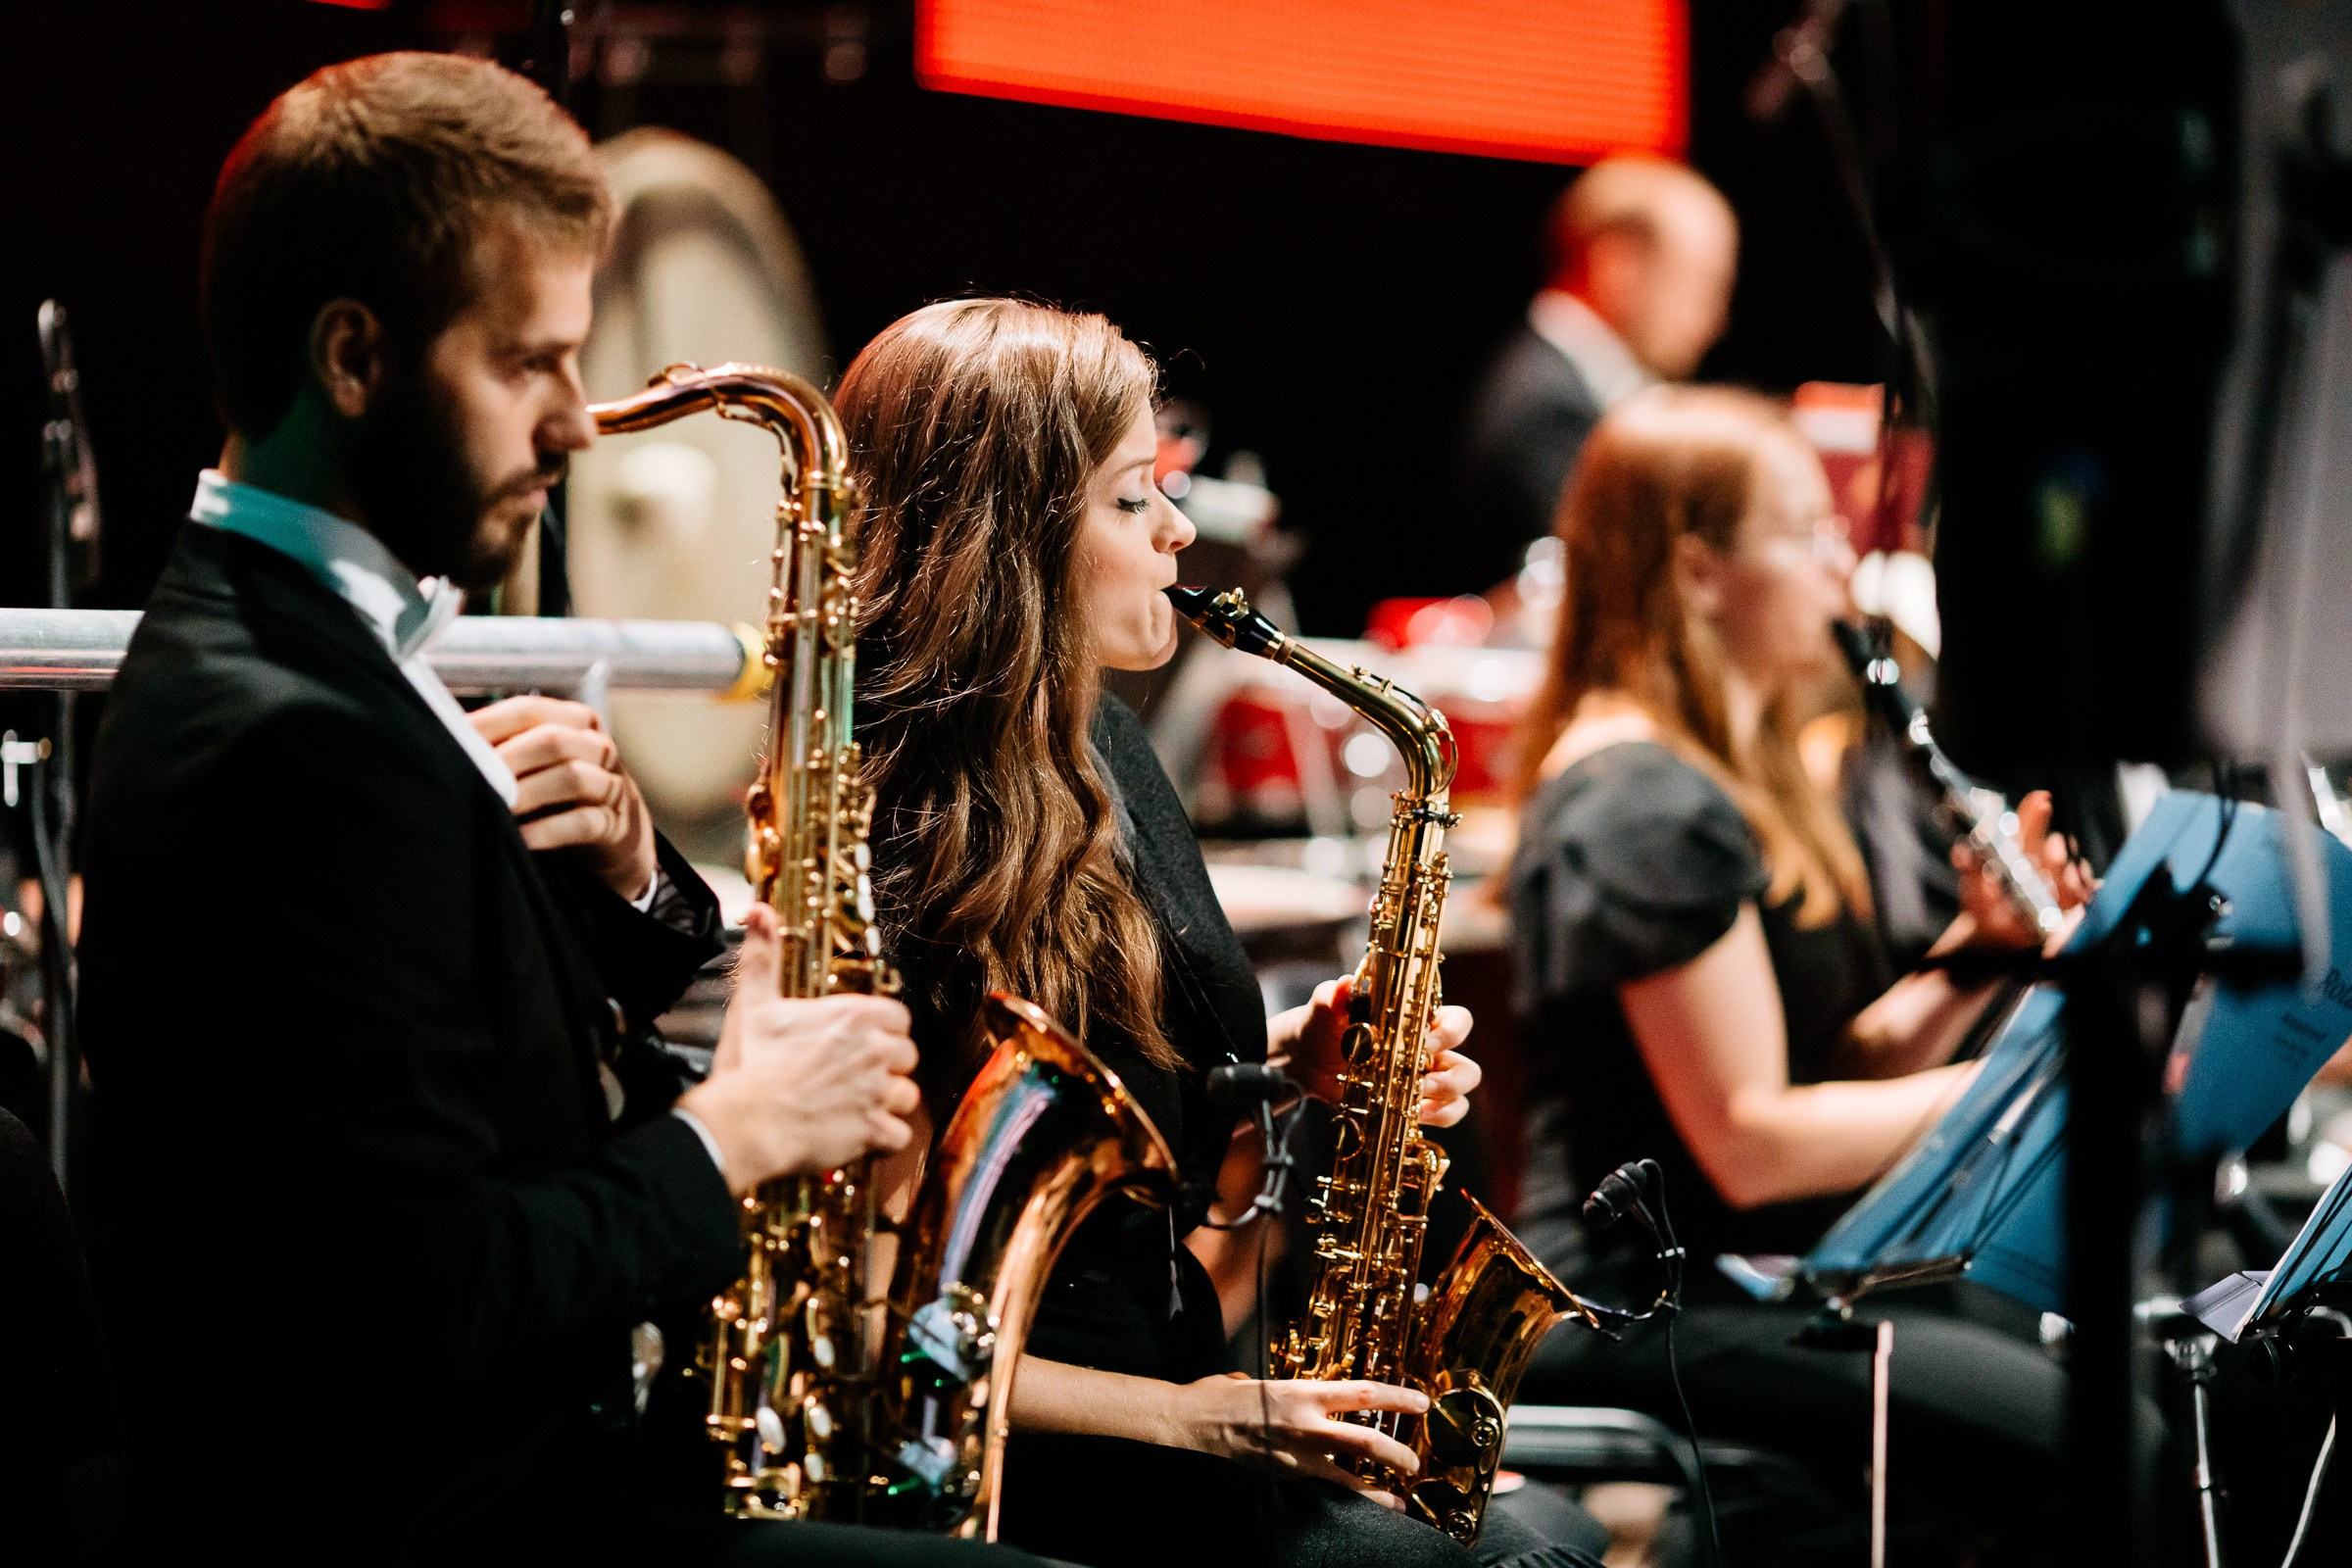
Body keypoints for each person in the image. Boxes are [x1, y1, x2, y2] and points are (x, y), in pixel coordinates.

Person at [74, 54, 1032, 1568]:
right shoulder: (298, 738)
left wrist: (639, 883)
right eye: (529, 364)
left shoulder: (285, 645)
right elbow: (423, 1305)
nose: (577, 426)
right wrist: (732, 1135)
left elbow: (451, 1070)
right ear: (353, 355)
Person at [837, 298, 1603, 1568]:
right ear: (1012, 532)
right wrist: (1200, 1420)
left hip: (1174, 1404)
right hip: (1030, 1464)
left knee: (1550, 1530)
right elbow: (869, 1323)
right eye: (1132, 498)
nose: (1180, 533)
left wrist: (1296, 1063)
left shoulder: (1101, 748)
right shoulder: (890, 835)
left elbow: (1125, 1095)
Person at [1501, 385, 2122, 1565]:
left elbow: (1824, 1071)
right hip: (1635, 1297)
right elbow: (1751, 1140)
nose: (1844, 566)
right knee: (2095, 1440)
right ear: (1698, 570)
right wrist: (2044, 1079)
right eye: (1803, 532)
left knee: (2108, 1374)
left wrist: (1975, 959)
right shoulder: (1640, 802)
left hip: (1747, 1271)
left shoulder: (1730, 773)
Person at [1453, 156, 1739, 598]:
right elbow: (1614, 588)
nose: (1716, 322)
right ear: (1619, 264)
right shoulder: (1550, 411)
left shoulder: (1563, 384)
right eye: (1703, 285)